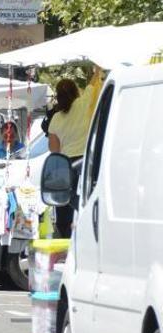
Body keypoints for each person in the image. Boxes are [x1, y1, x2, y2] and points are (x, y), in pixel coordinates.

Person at [48, 69, 103, 238]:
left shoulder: (56, 118)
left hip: (65, 166)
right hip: (86, 163)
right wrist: (97, 69)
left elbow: (53, 149)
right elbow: (93, 84)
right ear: (75, 92)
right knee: (86, 201)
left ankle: (66, 239)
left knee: (65, 206)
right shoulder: (84, 103)